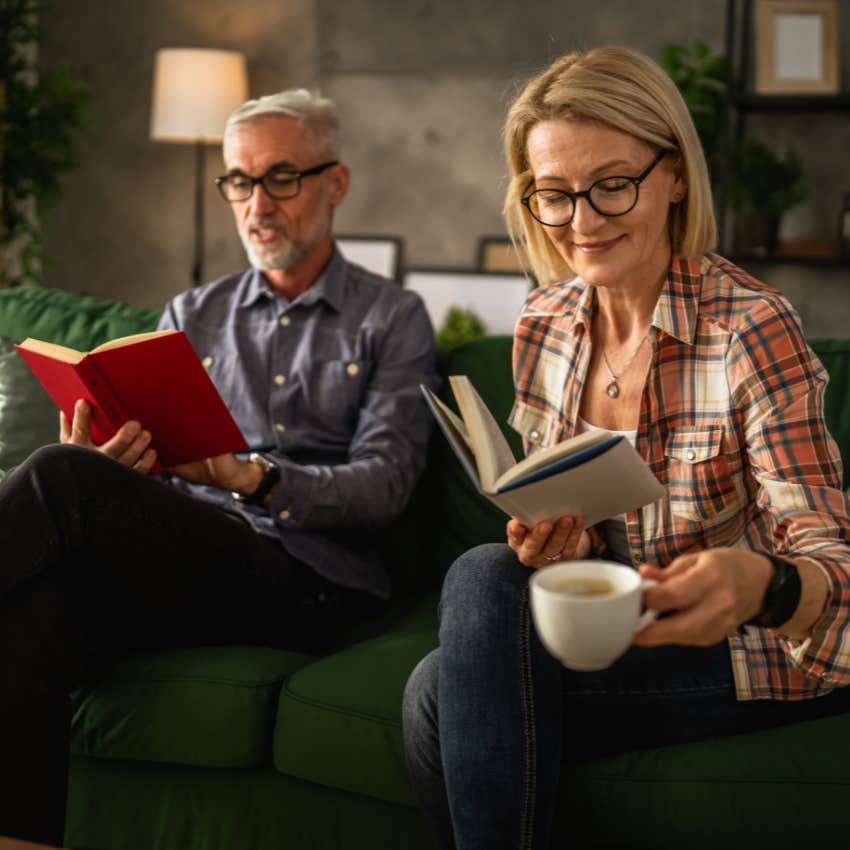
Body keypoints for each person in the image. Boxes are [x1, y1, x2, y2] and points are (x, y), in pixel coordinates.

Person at [402, 46, 850, 850]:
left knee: (439, 693)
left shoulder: (750, 328)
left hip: (756, 647)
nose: (582, 221)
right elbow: (571, 531)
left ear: (674, 173)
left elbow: (833, 568)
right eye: (554, 195)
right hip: (626, 627)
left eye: (612, 184)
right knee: (492, 573)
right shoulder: (544, 325)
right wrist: (555, 541)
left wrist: (763, 585)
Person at [0, 89, 437, 845]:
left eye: (281, 177)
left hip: (308, 581)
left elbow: (387, 484)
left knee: (56, 478)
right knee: (39, 612)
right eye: (239, 180)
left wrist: (252, 477)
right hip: (186, 561)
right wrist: (110, 463)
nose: (256, 203)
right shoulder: (190, 313)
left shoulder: (392, 318)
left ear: (335, 183)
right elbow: (153, 491)